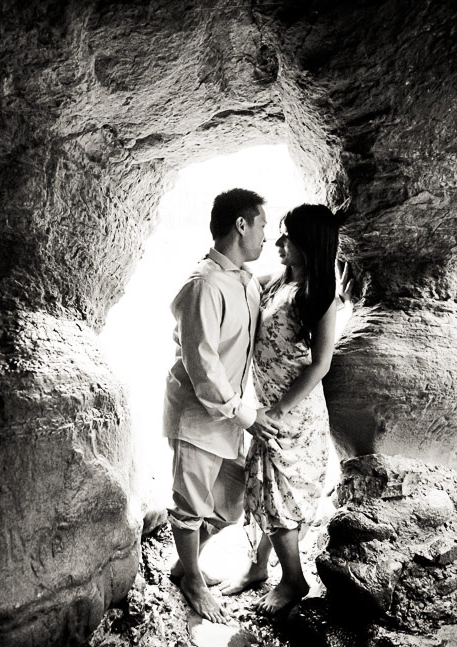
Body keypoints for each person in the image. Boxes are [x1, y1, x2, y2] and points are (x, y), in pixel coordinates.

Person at [219, 203, 347, 618]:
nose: (278, 242)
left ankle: (293, 580)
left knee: (280, 496)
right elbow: (232, 284)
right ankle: (258, 568)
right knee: (265, 487)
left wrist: (278, 409)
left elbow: (321, 363)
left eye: (287, 236)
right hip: (270, 405)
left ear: (308, 244)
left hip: (294, 410)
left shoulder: (319, 296)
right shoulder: (278, 282)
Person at [163, 188, 281, 623]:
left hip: (229, 413)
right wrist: (248, 417)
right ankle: (191, 579)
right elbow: (203, 367)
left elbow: (257, 293)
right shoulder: (203, 285)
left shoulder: (241, 278)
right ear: (241, 225)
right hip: (199, 413)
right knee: (190, 503)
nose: (267, 236)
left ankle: (183, 562)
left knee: (232, 502)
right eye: (263, 225)